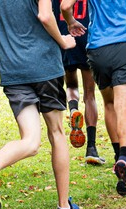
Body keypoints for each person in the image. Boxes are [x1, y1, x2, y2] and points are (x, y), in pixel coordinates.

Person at [0, 0, 81, 209]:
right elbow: (45, 16)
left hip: (14, 71)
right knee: (57, 133)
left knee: (31, 141)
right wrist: (63, 41)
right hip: (44, 68)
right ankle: (64, 208)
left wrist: (7, 34)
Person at [61, 0, 126, 196]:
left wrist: (71, 22)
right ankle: (125, 159)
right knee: (124, 107)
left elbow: (65, 6)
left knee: (109, 104)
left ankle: (117, 155)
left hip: (99, 49)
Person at [52, 0, 105, 165]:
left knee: (71, 85)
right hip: (85, 35)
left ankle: (73, 109)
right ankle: (91, 148)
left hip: (64, 36)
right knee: (90, 94)